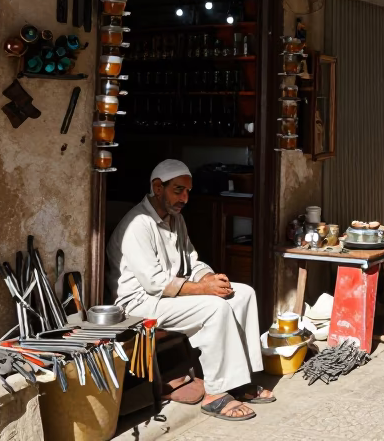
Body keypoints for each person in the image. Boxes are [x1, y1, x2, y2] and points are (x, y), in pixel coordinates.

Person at [106, 159, 274, 422]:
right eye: (178, 190)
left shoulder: (176, 220)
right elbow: (155, 283)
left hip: (166, 297)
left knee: (243, 294)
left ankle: (239, 381)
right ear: (158, 187)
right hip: (140, 304)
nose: (184, 197)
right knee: (214, 308)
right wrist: (202, 289)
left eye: (187, 191)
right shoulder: (138, 224)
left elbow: (191, 261)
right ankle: (215, 395)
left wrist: (210, 278)